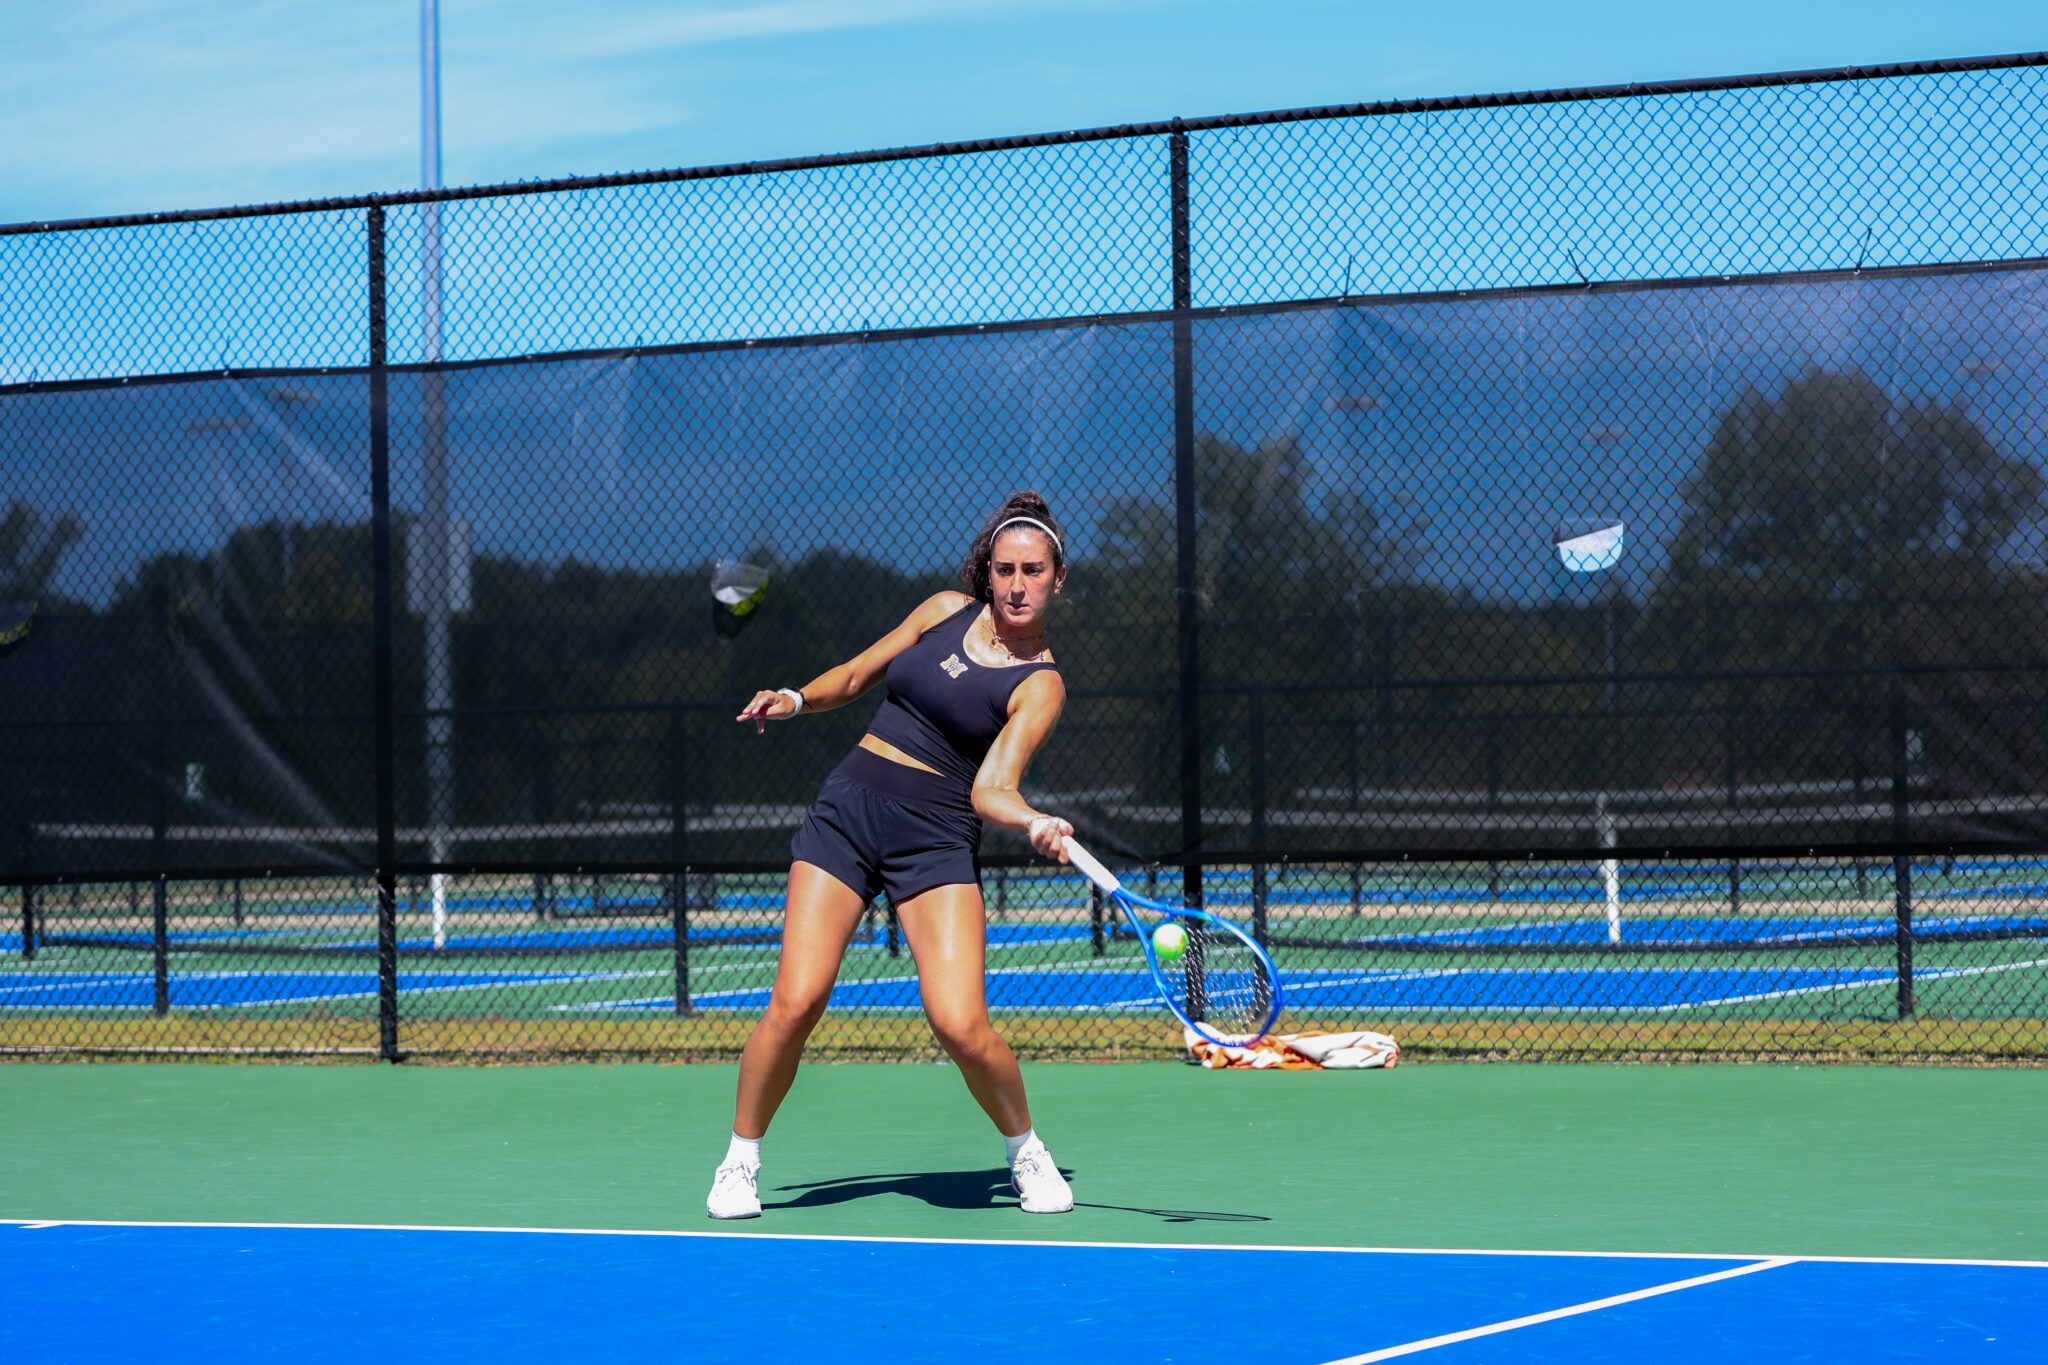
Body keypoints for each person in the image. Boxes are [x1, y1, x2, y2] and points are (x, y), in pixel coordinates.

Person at [706, 492, 1079, 1220]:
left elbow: (993, 788)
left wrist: (1035, 820)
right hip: (847, 813)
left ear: (1057, 578)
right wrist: (791, 697)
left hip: (935, 837)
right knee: (797, 999)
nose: (1016, 584)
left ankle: (1026, 1150)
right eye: (1005, 568)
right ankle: (738, 1162)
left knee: (960, 1022)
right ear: (989, 569)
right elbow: (852, 675)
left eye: (1033, 571)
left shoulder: (1041, 684)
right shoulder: (943, 609)